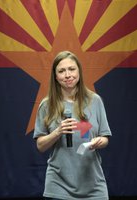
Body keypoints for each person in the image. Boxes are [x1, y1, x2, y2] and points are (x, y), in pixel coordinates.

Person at [33, 50, 112, 200]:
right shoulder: (46, 105)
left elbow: (105, 137)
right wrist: (58, 132)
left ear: (79, 72)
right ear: (55, 77)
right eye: (61, 71)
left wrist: (100, 142)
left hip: (93, 185)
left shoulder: (95, 101)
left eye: (71, 69)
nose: (67, 75)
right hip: (58, 185)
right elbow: (40, 146)